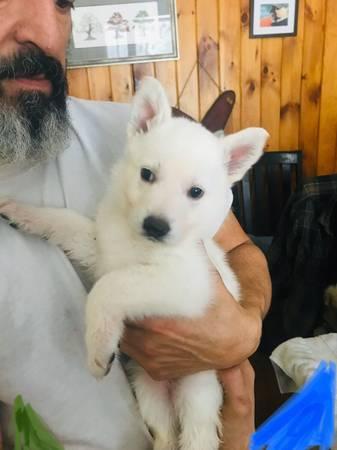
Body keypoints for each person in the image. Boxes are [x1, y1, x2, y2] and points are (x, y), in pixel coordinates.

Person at [0, 1, 271, 449]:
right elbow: (95, 244)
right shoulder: (144, 149)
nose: (46, 33)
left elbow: (239, 253)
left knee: (193, 421)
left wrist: (244, 331)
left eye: (63, 3)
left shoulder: (151, 137)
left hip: (210, 411)